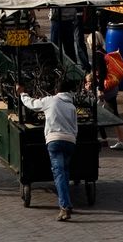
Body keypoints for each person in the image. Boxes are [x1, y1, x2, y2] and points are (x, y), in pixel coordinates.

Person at [16, 77, 78, 221]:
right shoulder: (72, 106)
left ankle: (64, 206)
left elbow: (32, 104)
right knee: (65, 172)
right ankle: (66, 201)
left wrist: (22, 94)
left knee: (59, 173)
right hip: (70, 141)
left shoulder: (51, 101)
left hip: (54, 140)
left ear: (57, 90)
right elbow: (75, 128)